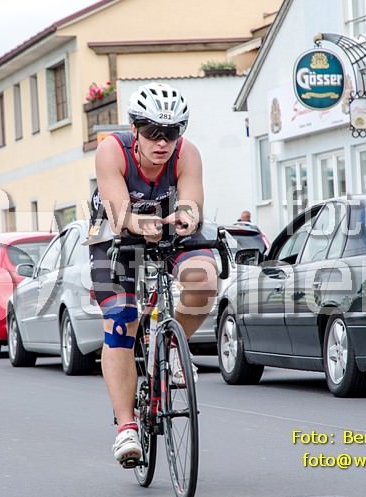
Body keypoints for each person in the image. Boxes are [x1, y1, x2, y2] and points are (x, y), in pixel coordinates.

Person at [87, 82, 218, 468]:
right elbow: (118, 212)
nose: (162, 142)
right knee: (121, 319)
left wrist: (187, 215)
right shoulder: (112, 150)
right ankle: (126, 427)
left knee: (204, 279)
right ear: (135, 129)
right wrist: (137, 223)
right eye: (151, 132)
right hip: (114, 231)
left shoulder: (187, 154)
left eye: (171, 133)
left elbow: (192, 202)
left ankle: (174, 346)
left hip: (166, 226)